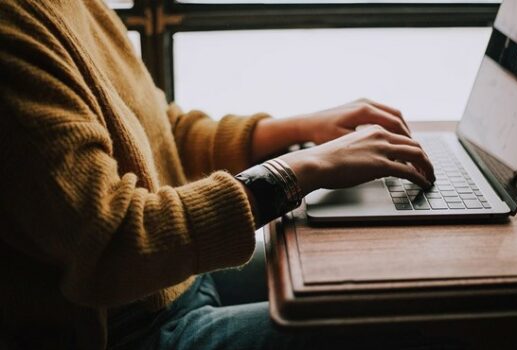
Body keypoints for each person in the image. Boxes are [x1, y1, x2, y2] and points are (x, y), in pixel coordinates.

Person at [0, 1, 441, 349]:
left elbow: (157, 129)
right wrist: (299, 170)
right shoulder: (12, 31)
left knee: (384, 277)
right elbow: (115, 243)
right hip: (123, 330)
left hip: (171, 280)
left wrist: (299, 128)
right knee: (406, 325)